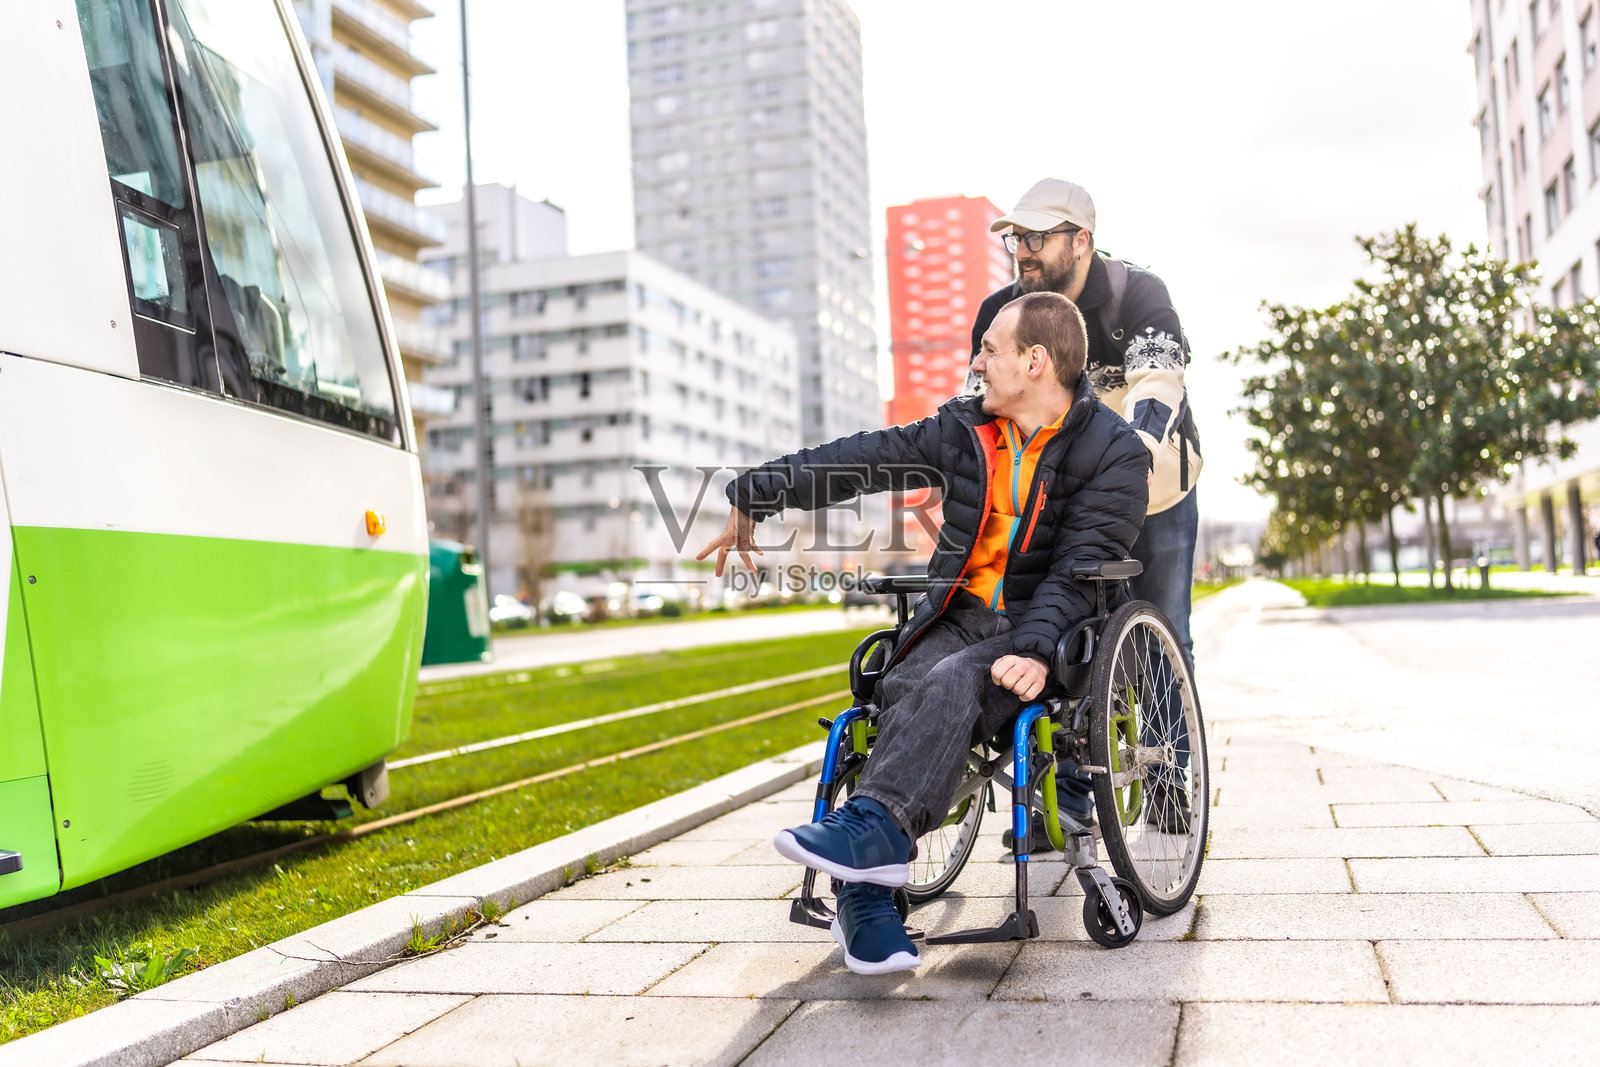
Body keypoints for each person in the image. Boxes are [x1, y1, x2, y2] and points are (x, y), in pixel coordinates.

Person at [697, 292, 1149, 975]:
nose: (977, 362)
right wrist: (754, 492)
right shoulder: (964, 428)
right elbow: (864, 459)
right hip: (958, 613)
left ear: (1035, 361)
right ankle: (870, 894)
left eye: (989, 349)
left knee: (954, 679)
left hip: (1048, 628)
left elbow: (1079, 568)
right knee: (904, 679)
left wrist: (1034, 649)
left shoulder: (1114, 452)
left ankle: (869, 842)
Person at [971, 178, 1203, 840]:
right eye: (1017, 238)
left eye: (1037, 237)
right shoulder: (1002, 312)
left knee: (1162, 633)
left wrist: (1130, 458)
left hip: (1157, 494)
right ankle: (1066, 801)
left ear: (1081, 241)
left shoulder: (1138, 296)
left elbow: (1158, 385)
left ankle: (1167, 783)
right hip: (1062, 501)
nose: (1023, 251)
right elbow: (982, 403)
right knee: (1061, 634)